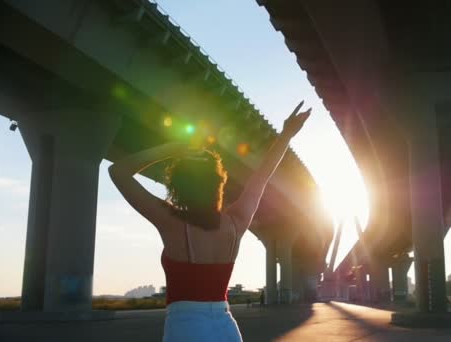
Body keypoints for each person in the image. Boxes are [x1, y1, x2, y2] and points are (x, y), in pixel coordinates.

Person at [109, 101, 311, 341]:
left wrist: (173, 149)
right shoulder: (236, 223)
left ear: (177, 187)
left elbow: (118, 171)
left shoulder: (171, 221)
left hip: (186, 327)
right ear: (219, 185)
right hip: (226, 326)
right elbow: (261, 177)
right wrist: (286, 135)